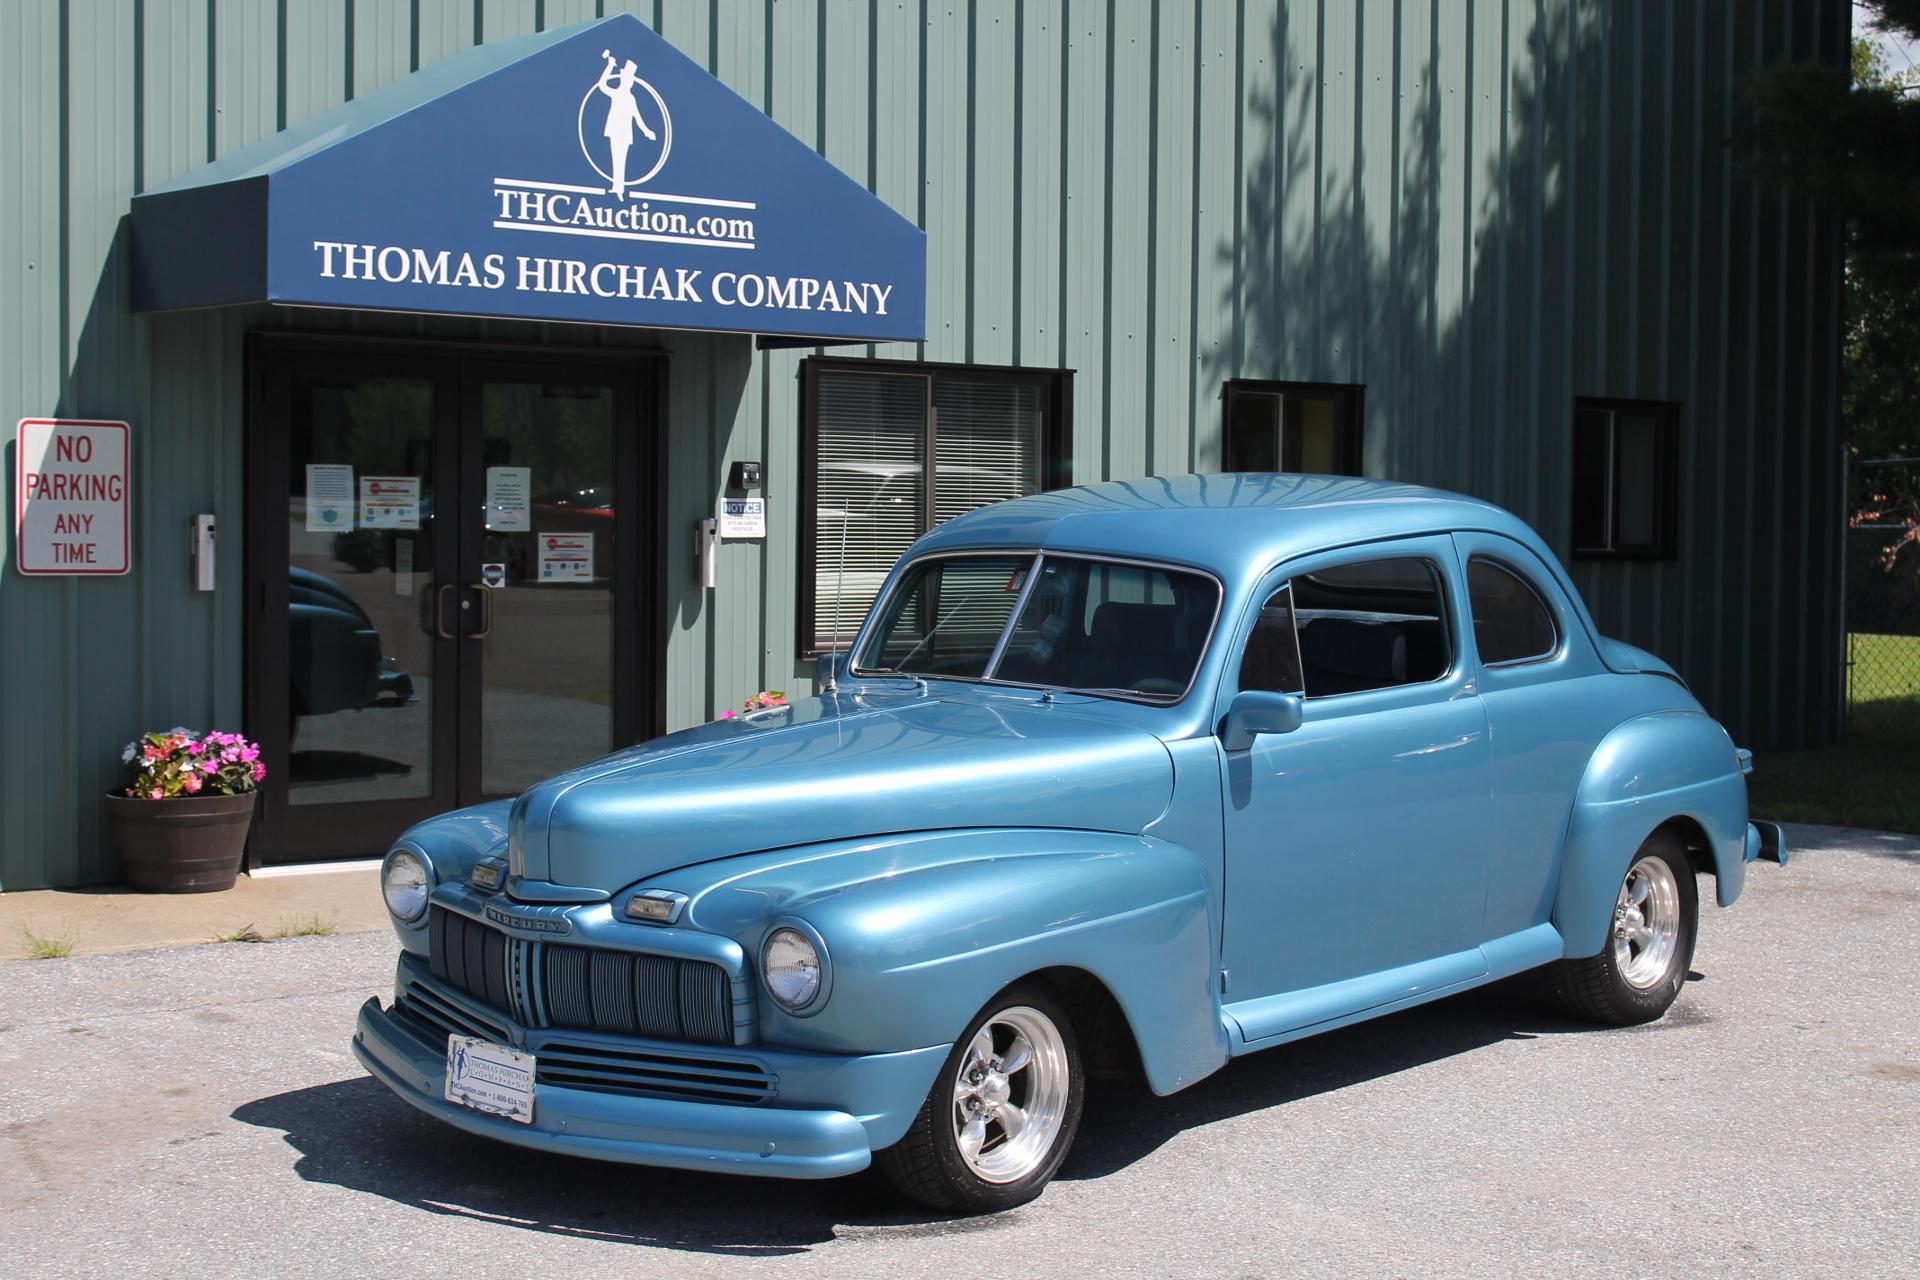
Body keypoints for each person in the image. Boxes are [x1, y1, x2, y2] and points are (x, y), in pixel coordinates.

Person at [596, 53, 656, 198]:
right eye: (625, 79)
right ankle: (616, 187)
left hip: (624, 134)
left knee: (621, 159)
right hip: (614, 131)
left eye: (628, 80)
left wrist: (647, 131)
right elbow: (602, 85)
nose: (626, 82)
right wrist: (609, 66)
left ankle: (620, 189)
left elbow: (637, 117)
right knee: (615, 158)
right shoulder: (616, 93)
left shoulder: (630, 98)